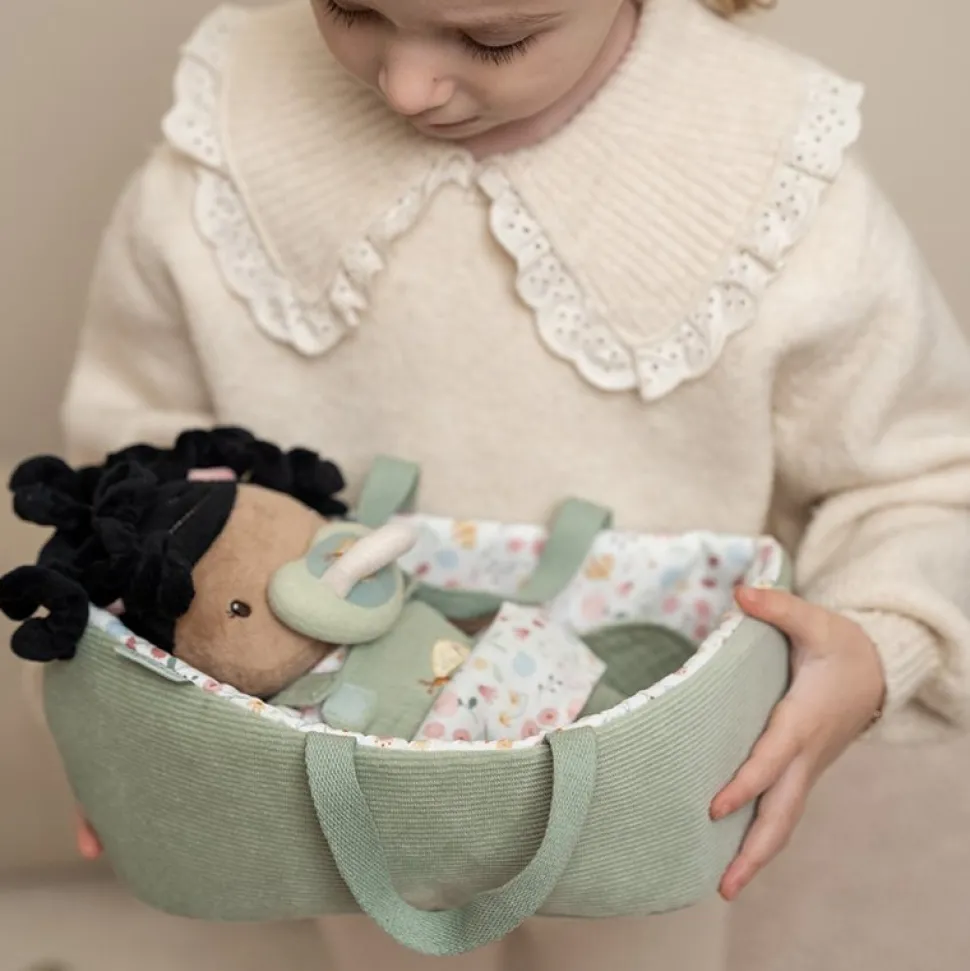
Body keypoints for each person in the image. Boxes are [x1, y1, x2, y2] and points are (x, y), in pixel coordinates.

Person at [42, 0, 970, 967]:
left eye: (496, 38)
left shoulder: (771, 169)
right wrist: (118, 710)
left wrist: (878, 646)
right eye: (349, 7)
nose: (407, 87)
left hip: (651, 779)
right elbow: (139, 475)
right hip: (332, 764)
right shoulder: (228, 140)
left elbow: (923, 474)